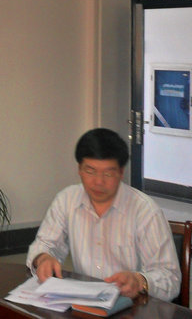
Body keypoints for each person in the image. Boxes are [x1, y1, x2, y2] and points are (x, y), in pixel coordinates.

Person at [26, 128, 181, 301]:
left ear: (121, 173)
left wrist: (139, 281)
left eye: (108, 173)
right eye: (90, 171)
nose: (99, 182)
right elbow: (44, 244)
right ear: (79, 169)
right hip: (84, 303)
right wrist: (43, 258)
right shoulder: (67, 200)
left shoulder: (145, 211)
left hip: (133, 305)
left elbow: (170, 278)